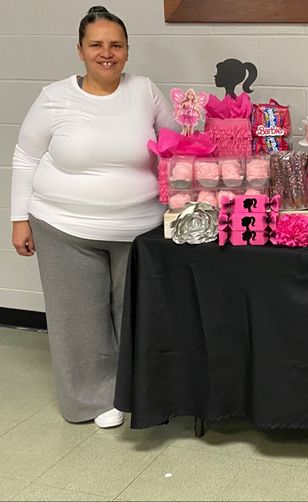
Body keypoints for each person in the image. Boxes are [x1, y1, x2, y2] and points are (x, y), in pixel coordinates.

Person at [10, 6, 178, 428]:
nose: (107, 53)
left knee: (135, 314)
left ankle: (138, 392)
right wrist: (18, 219)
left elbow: (175, 145)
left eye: (116, 45)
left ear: (127, 51)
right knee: (79, 321)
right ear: (80, 51)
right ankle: (91, 401)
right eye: (97, 45)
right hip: (63, 226)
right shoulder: (54, 97)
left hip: (139, 228)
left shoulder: (145, 91)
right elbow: (26, 156)